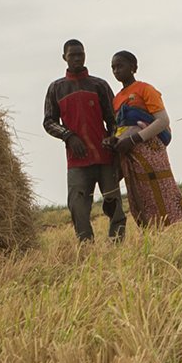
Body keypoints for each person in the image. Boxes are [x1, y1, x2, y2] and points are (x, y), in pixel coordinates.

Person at [43, 38, 124, 241]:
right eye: (73, 55)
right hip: (77, 160)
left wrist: (112, 138)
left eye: (81, 54)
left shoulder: (99, 85)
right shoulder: (56, 88)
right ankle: (86, 248)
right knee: (78, 208)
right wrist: (68, 136)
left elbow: (115, 120)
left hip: (105, 157)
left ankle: (118, 245)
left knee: (114, 204)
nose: (77, 58)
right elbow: (49, 122)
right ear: (64, 58)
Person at [107, 50, 182, 227]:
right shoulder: (116, 99)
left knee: (164, 192)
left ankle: (180, 231)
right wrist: (115, 140)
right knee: (141, 198)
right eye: (113, 68)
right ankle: (153, 237)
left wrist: (134, 139)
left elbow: (162, 121)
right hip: (130, 155)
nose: (116, 71)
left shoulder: (145, 89)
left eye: (120, 66)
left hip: (150, 151)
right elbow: (120, 128)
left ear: (133, 67)